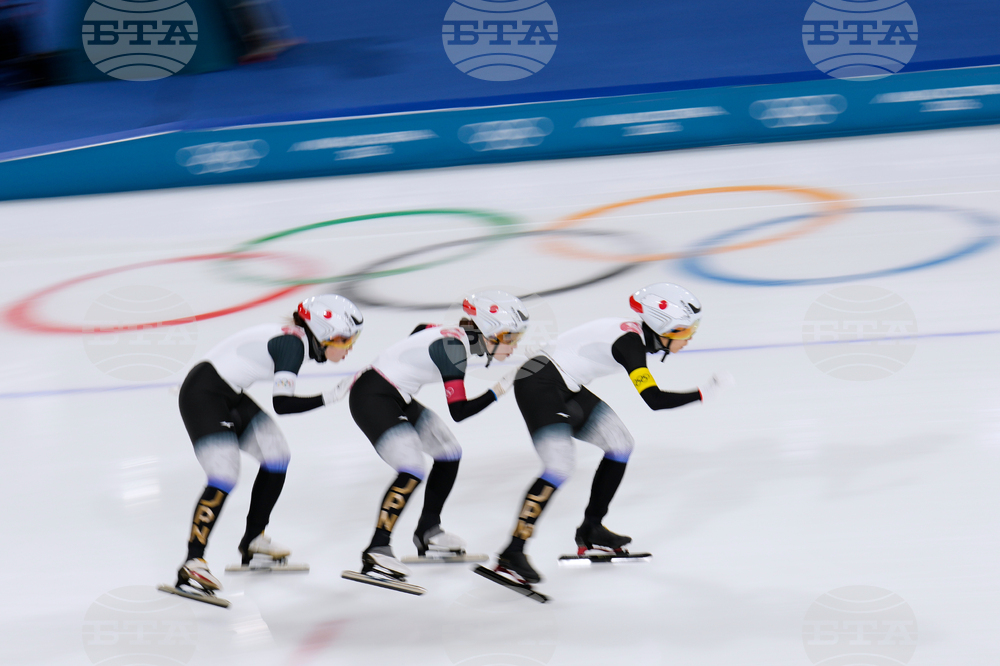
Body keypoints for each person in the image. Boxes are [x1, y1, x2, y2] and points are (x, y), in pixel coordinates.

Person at [490, 282, 732, 585]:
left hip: (564, 384)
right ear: (663, 328)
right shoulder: (630, 343)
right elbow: (654, 401)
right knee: (559, 466)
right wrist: (702, 394)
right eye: (683, 332)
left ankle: (592, 528)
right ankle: (512, 551)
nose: (689, 339)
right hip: (538, 383)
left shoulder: (635, 336)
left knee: (620, 444)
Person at [173, 294, 363, 596]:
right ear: (327, 334)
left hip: (227, 393)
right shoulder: (293, 346)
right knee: (224, 474)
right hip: (203, 395)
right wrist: (330, 396)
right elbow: (283, 404)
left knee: (276, 455)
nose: (350, 347)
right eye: (347, 340)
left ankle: (253, 539)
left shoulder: (296, 339)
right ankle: (192, 561)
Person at [348, 290, 529, 581]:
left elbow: (420, 331)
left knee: (448, 452)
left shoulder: (456, 336)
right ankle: (377, 548)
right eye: (509, 337)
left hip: (395, 394)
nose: (514, 345)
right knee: (412, 468)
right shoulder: (454, 348)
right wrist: (500, 388)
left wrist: (403, 362)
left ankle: (428, 531)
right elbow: (459, 411)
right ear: (489, 333)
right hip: (372, 397)